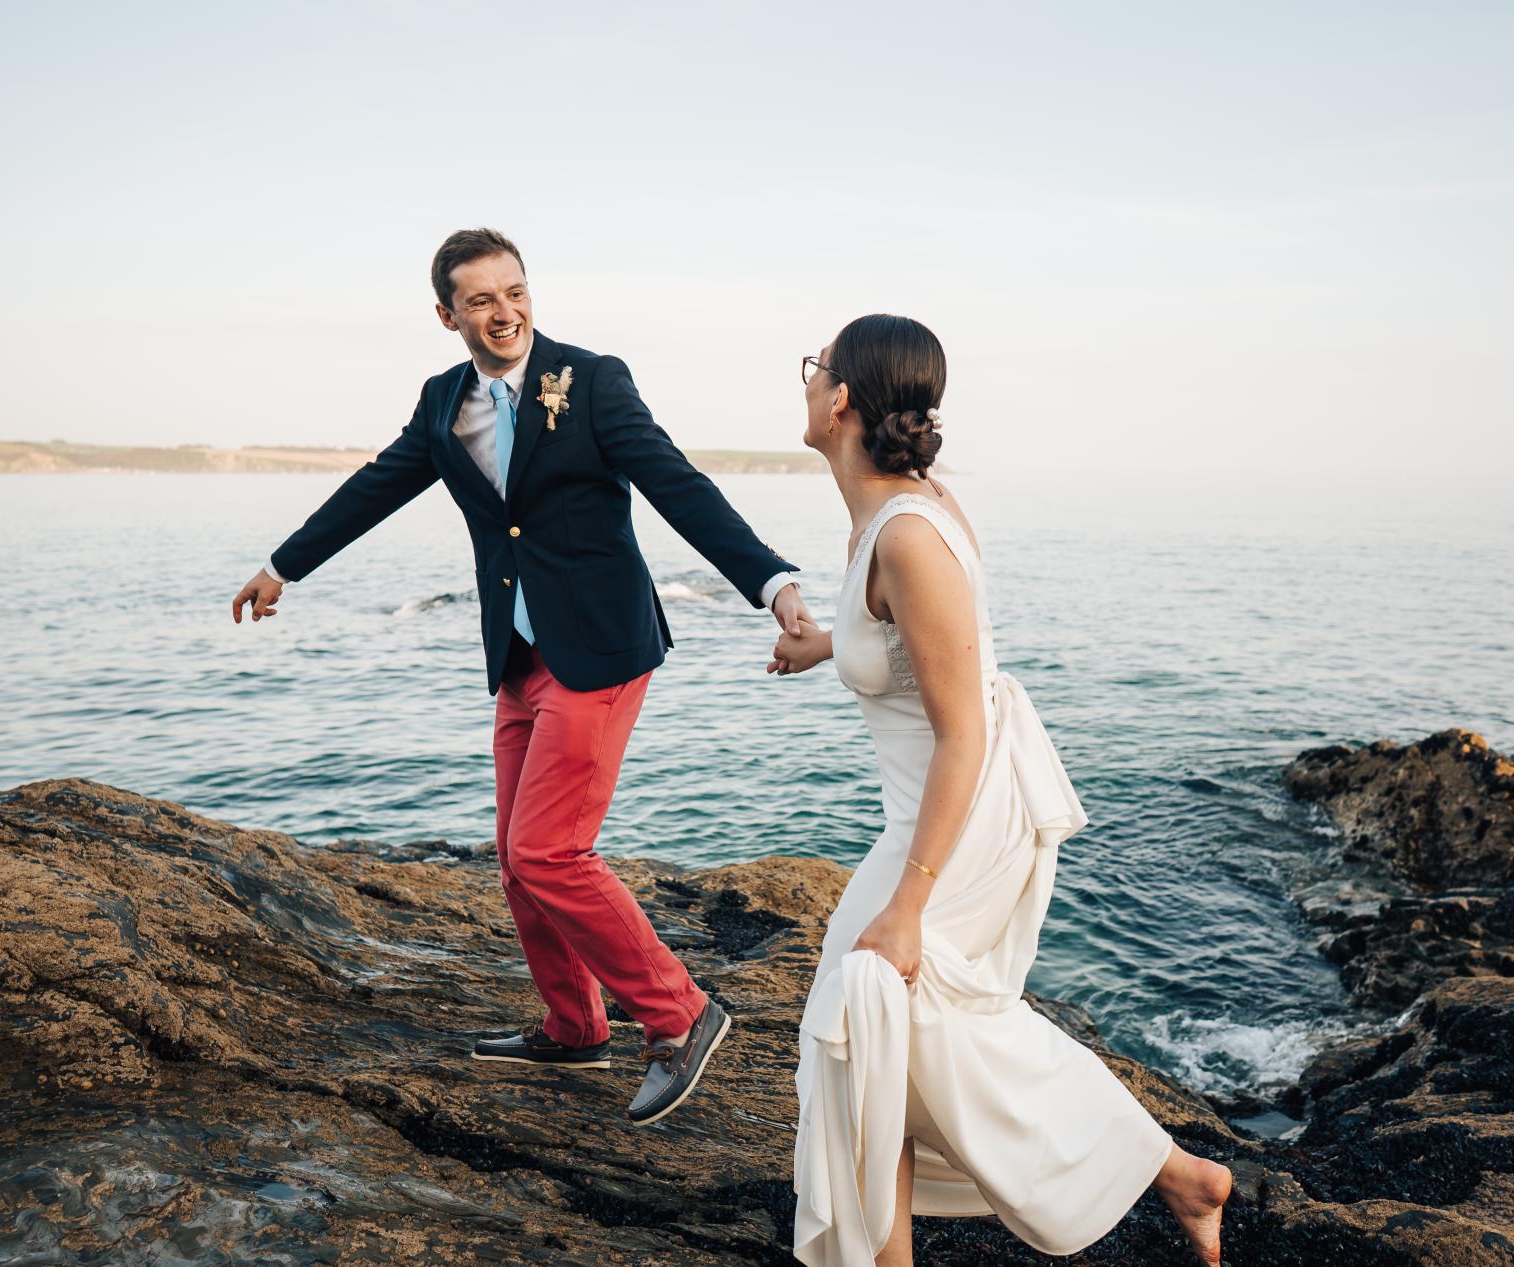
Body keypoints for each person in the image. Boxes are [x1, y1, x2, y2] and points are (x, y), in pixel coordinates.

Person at [232, 228, 813, 1125]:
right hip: (519, 654)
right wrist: (284, 564)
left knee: (552, 850)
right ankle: (575, 1023)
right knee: (517, 857)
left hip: (601, 650)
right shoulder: (442, 403)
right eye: (481, 300)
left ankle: (682, 1014)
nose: (504, 312)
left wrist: (770, 582)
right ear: (447, 315)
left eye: (515, 291)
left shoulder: (591, 379)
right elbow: (374, 488)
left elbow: (676, 483)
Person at [771, 315, 1233, 1266]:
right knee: (875, 1026)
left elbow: (963, 729)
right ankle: (1169, 1177)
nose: (806, 381)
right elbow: (899, 640)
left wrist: (911, 900)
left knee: (887, 1000)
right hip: (944, 799)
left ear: (845, 397)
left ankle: (1175, 1170)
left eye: (815, 367)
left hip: (964, 806)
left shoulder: (908, 531)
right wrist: (824, 645)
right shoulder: (883, 510)